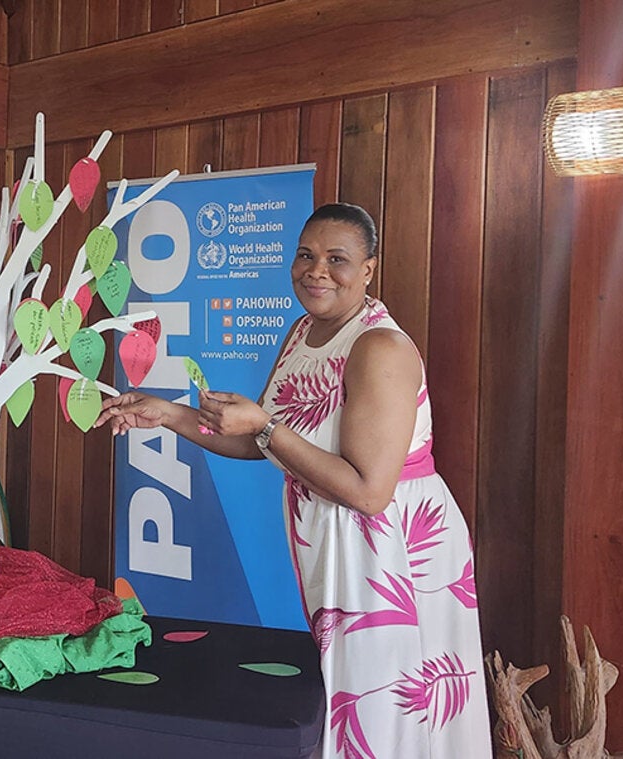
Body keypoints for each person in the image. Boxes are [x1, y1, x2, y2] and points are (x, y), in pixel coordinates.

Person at [97, 203, 491, 758]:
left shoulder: (378, 347)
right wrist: (167, 414)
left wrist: (266, 425)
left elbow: (368, 492)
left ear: (370, 270)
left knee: (384, 707)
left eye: (338, 259)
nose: (316, 271)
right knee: (348, 698)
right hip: (334, 538)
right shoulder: (304, 331)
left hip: (388, 550)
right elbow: (261, 440)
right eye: (306, 255)